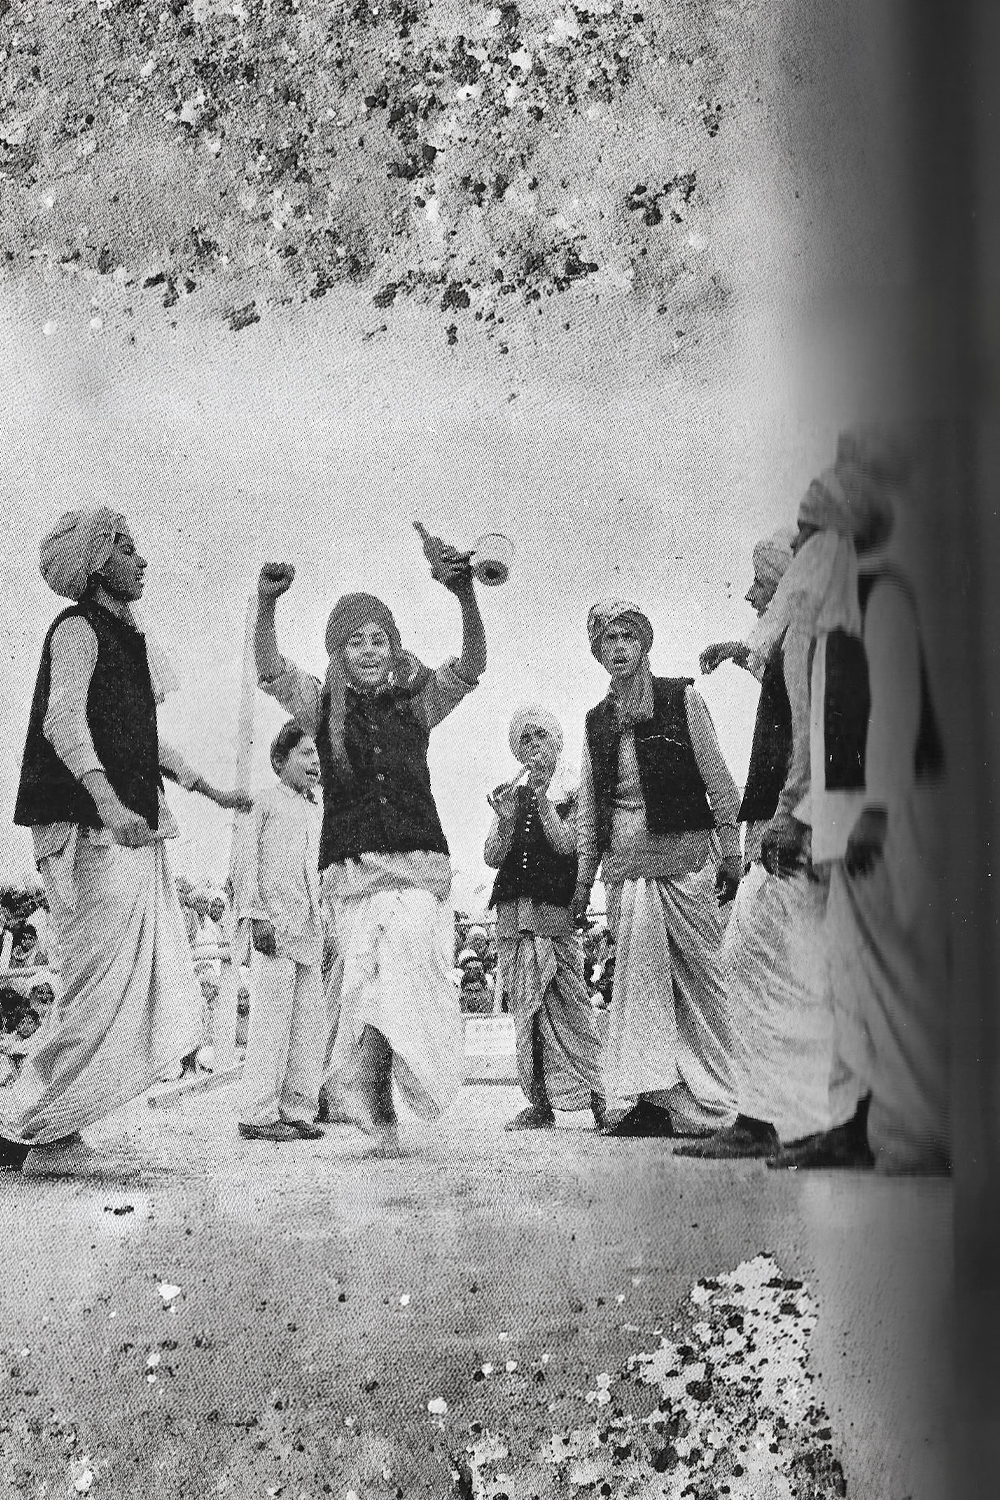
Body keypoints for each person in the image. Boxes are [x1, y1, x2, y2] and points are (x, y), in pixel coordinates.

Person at [0, 507, 250, 1175]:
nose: (142, 561)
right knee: (95, 986)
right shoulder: (76, 629)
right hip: (85, 829)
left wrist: (210, 790)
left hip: (125, 830)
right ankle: (42, 1136)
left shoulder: (128, 639)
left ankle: (38, 1126)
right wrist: (109, 806)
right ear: (95, 562)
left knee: (118, 986)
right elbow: (62, 723)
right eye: (127, 548)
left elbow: (141, 740)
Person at [253, 522, 486, 1158]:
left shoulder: (418, 703)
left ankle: (399, 1091)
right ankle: (374, 1102)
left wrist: (465, 594)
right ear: (337, 651)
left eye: (378, 638)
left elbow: (471, 666)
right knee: (362, 988)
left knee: (411, 976)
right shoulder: (322, 707)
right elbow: (271, 671)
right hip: (353, 871)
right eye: (354, 640)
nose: (368, 649)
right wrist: (267, 603)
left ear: (394, 645)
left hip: (417, 865)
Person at [771, 430, 948, 1173]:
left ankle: (918, 1126)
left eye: (810, 532)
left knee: (893, 971)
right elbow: (820, 737)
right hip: (844, 820)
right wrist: (809, 816)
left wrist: (874, 809)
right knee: (847, 974)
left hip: (885, 818)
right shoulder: (833, 617)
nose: (800, 548)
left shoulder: (884, 596)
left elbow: (896, 715)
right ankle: (857, 1123)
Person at [677, 528, 862, 1159]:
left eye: (763, 581)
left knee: (758, 956)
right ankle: (782, 1116)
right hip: (791, 820)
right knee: (778, 962)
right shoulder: (800, 634)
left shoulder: (808, 630)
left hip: (792, 825)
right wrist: (741, 651)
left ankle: (772, 1119)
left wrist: (789, 814)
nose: (752, 593)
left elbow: (812, 734)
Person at [573, 602, 741, 1138]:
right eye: (608, 640)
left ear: (644, 643)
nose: (619, 647)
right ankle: (653, 1100)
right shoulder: (596, 722)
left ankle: (722, 1098)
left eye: (628, 636)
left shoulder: (680, 698)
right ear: (597, 652)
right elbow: (589, 812)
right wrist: (582, 886)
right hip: (626, 872)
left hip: (686, 862)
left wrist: (731, 853)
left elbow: (719, 780)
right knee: (642, 989)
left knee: (701, 982)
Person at [485, 705, 606, 1130]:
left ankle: (600, 1096)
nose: (534, 745)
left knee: (572, 1009)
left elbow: (567, 843)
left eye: (541, 736)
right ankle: (539, 1103)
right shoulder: (513, 796)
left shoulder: (574, 791)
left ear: (557, 742)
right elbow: (492, 855)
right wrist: (505, 820)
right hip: (512, 918)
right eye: (526, 740)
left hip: (553, 916)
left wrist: (539, 798)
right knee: (526, 1016)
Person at [237, 721, 326, 1143]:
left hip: (308, 927)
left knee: (308, 1021)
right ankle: (257, 1113)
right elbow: (246, 860)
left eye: (318, 754)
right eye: (306, 753)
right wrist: (256, 915)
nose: (315, 762)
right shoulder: (264, 802)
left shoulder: (317, 810)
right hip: (274, 924)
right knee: (271, 1020)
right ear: (280, 760)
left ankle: (296, 1109)